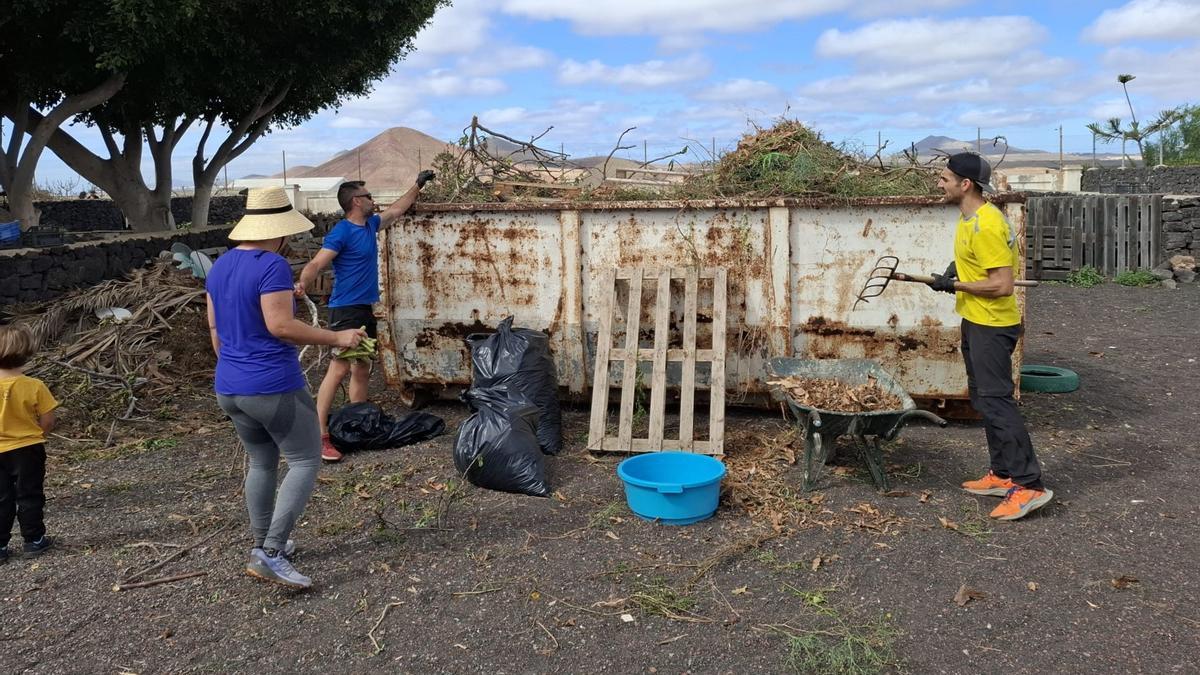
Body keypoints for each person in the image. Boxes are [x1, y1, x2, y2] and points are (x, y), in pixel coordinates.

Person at [206, 186, 366, 589]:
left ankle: (263, 543)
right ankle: (272, 553)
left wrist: (235, 366)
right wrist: (337, 337)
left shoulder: (220, 265)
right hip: (271, 384)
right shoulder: (272, 264)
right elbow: (280, 326)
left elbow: (216, 329)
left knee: (262, 462)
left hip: (230, 385)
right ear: (278, 231)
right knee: (305, 459)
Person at [930, 152, 1052, 521]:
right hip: (974, 319)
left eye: (945, 178)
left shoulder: (987, 224)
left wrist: (954, 285)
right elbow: (978, 263)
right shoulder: (968, 218)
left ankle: (1029, 485)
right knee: (983, 399)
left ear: (966, 184)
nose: (939, 183)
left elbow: (1001, 285)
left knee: (997, 402)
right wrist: (957, 270)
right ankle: (1002, 474)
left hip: (993, 325)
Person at [295, 170, 434, 462]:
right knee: (339, 369)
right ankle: (319, 435)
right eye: (368, 195)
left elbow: (397, 209)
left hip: (364, 308)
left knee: (361, 367)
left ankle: (356, 422)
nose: (373, 199)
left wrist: (417, 185)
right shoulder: (342, 232)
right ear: (356, 201)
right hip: (345, 310)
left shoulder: (370, 225)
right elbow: (317, 264)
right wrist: (302, 283)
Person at [0, 324, 58, 564]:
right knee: (29, 493)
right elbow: (48, 419)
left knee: (1, 498)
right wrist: (37, 434)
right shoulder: (34, 385)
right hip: (27, 449)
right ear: (26, 352)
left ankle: (0, 546)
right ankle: (33, 540)